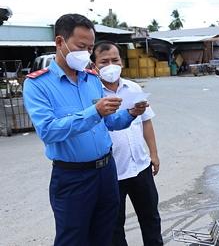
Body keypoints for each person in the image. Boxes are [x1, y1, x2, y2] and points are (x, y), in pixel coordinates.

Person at [23, 14, 148, 246]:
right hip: (73, 177)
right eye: (81, 46)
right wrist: (95, 112)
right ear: (60, 42)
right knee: (73, 238)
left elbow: (108, 123)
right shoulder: (37, 84)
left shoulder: (91, 79)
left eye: (90, 48)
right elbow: (49, 131)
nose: (86, 53)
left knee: (105, 234)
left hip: (106, 171)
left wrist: (131, 113)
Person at [90, 41, 163, 246]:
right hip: (112, 171)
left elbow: (146, 122)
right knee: (114, 225)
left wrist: (154, 154)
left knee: (151, 218)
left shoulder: (133, 87)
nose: (111, 65)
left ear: (122, 62)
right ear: (94, 65)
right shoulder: (93, 94)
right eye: (104, 61)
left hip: (140, 166)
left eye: (115, 60)